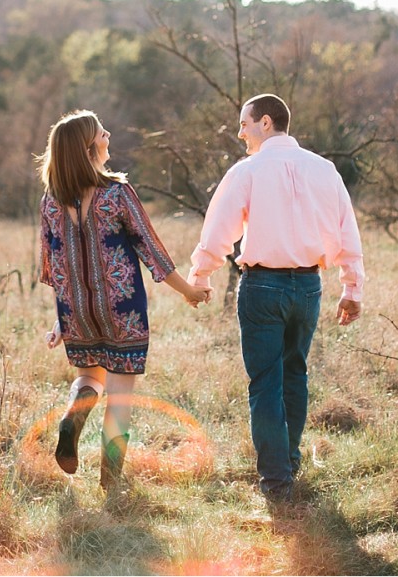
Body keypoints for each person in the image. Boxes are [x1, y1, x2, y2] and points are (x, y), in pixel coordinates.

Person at [186, 93, 364, 507]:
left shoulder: (247, 171)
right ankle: (289, 463)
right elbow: (347, 232)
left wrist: (200, 275)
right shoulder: (325, 170)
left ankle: (276, 480)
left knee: (266, 382)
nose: (241, 133)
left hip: (263, 288)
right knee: (295, 374)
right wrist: (352, 289)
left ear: (265, 122)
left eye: (244, 124)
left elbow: (219, 230)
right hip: (309, 287)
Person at [37, 109, 212, 494]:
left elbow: (55, 267)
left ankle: (72, 417)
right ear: (89, 148)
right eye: (102, 134)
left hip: (77, 311)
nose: (108, 137)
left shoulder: (50, 202)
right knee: (119, 396)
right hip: (123, 309)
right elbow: (152, 250)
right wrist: (188, 290)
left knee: (88, 378)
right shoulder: (116, 194)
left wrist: (61, 320)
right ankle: (111, 482)